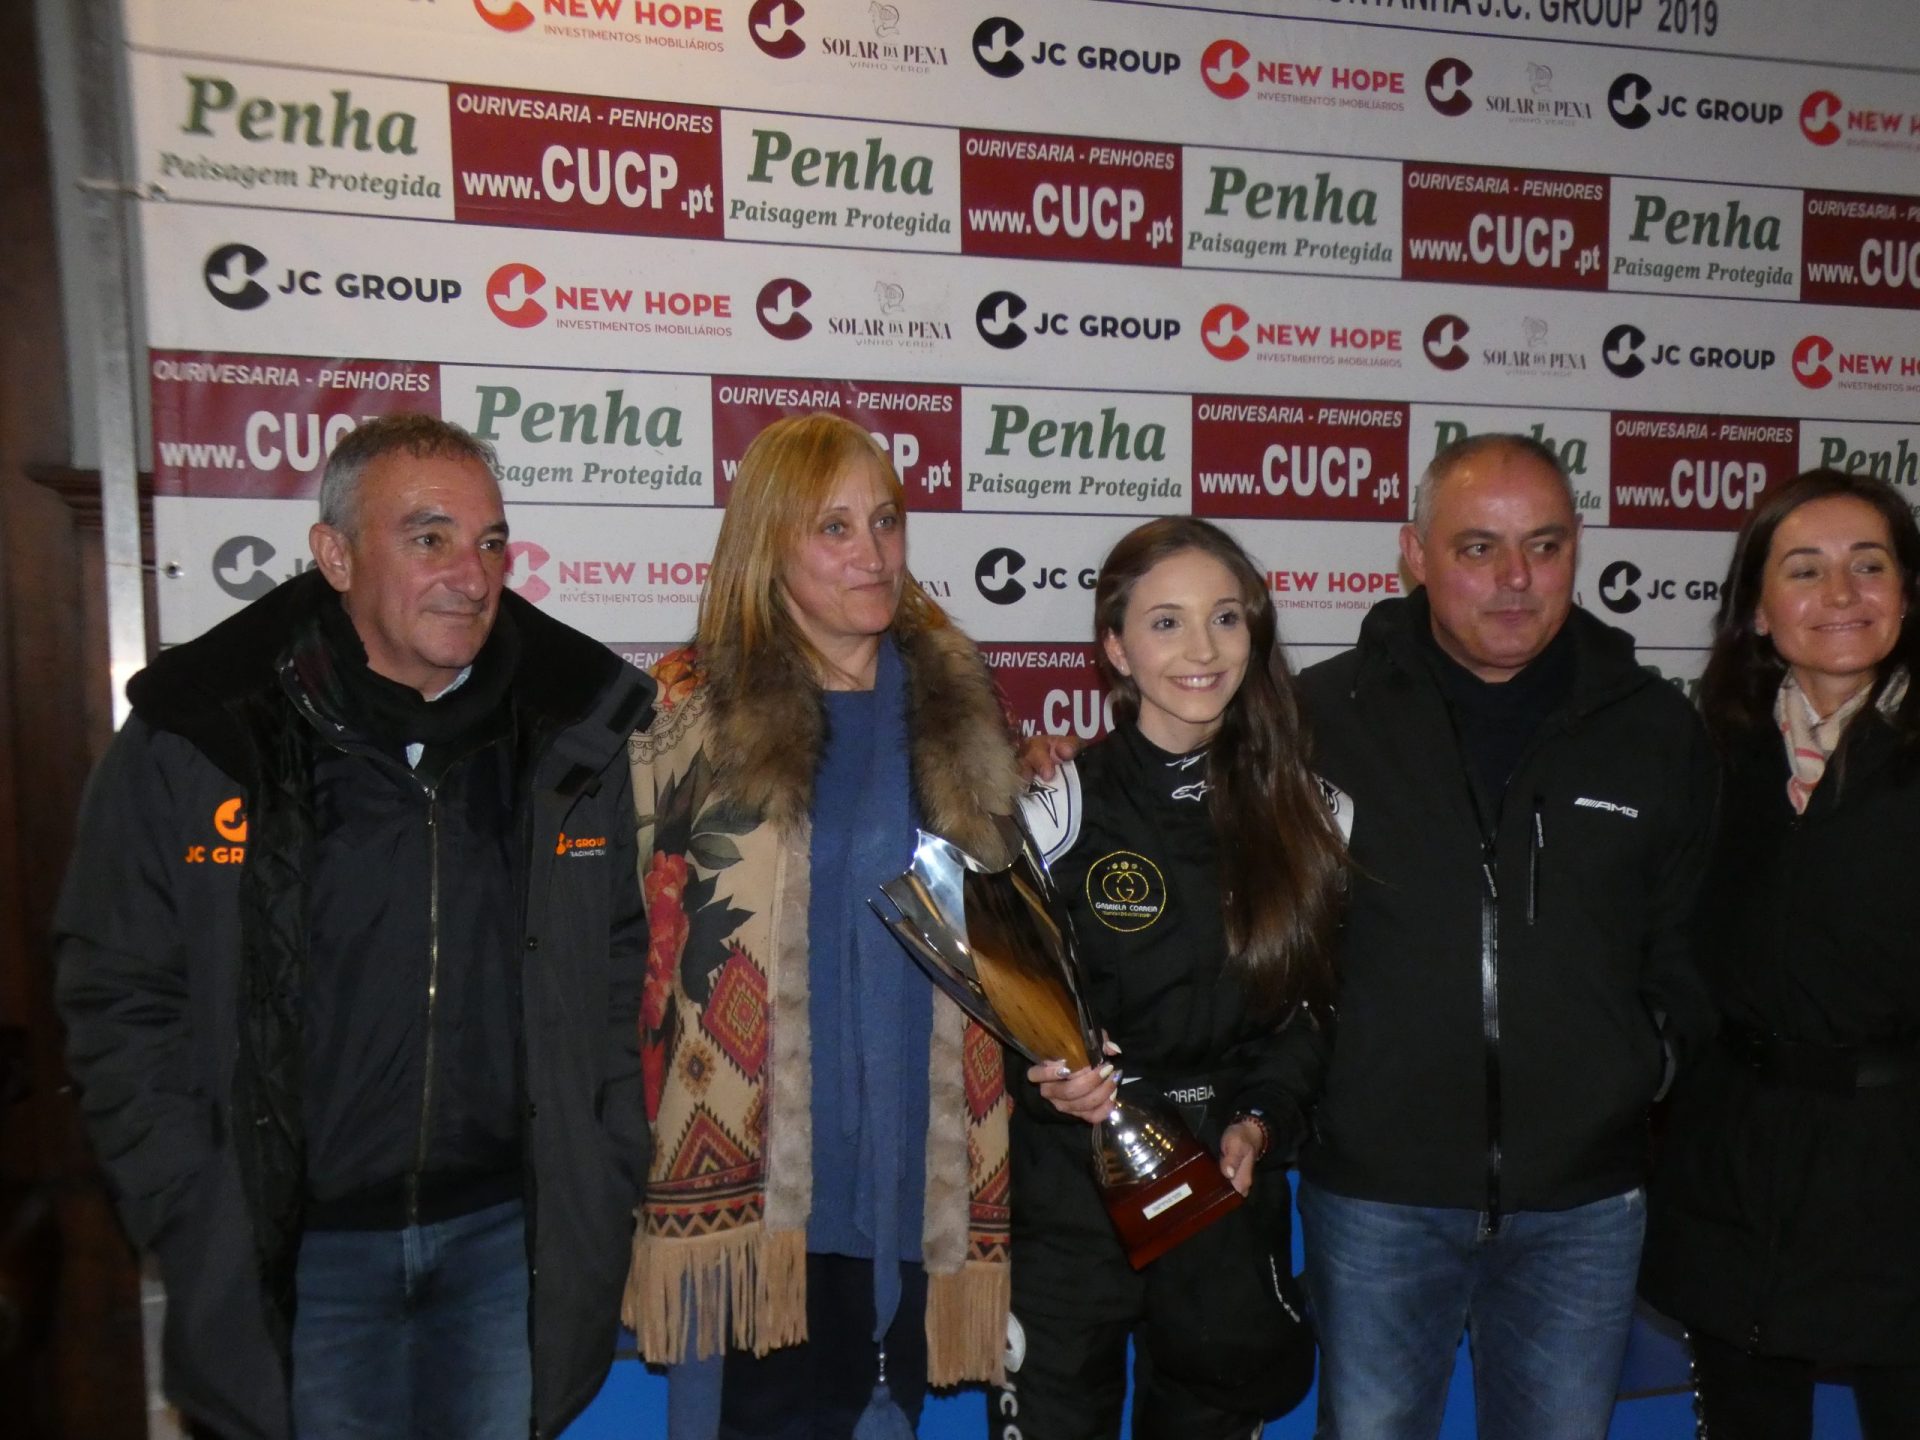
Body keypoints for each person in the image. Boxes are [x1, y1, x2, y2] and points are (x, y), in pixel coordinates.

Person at [53, 414, 654, 1440]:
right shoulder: (205, 730)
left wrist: (600, 1169)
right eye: (428, 538)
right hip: (294, 1258)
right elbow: (118, 988)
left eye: (491, 541)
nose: (470, 574)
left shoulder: (569, 728)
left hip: (506, 1246)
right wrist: (190, 1204)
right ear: (334, 554)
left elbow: (611, 968)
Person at [1294, 433, 1717, 1440]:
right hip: (1379, 1199)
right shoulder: (1319, 716)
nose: (1516, 580)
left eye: (1546, 545)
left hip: (1584, 1207)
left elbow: (1693, 948)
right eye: (1478, 547)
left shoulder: (1656, 727)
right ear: (1415, 553)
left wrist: (1638, 1072)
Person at [623, 412, 1020, 1438]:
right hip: (759, 1201)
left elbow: (1011, 937)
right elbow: (641, 948)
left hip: (919, 1183)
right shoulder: (689, 715)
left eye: (884, 520)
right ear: (768, 544)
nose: (872, 552)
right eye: (833, 527)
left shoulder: (957, 709)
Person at [999, 518, 1347, 1440]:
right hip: (1072, 1205)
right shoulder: (1053, 808)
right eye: (1166, 623)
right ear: (1114, 647)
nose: (1202, 650)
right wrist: (1048, 1079)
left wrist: (1261, 1120)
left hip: (1222, 1197)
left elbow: (1313, 1018)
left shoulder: (1315, 814)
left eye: (1225, 619)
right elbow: (997, 1011)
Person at [1640, 468, 1920, 1439]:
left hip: (1899, 1177)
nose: (1840, 596)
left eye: (1868, 566)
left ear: (1908, 593)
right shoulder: (1712, 760)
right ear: (1758, 611)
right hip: (1736, 1178)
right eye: (1805, 570)